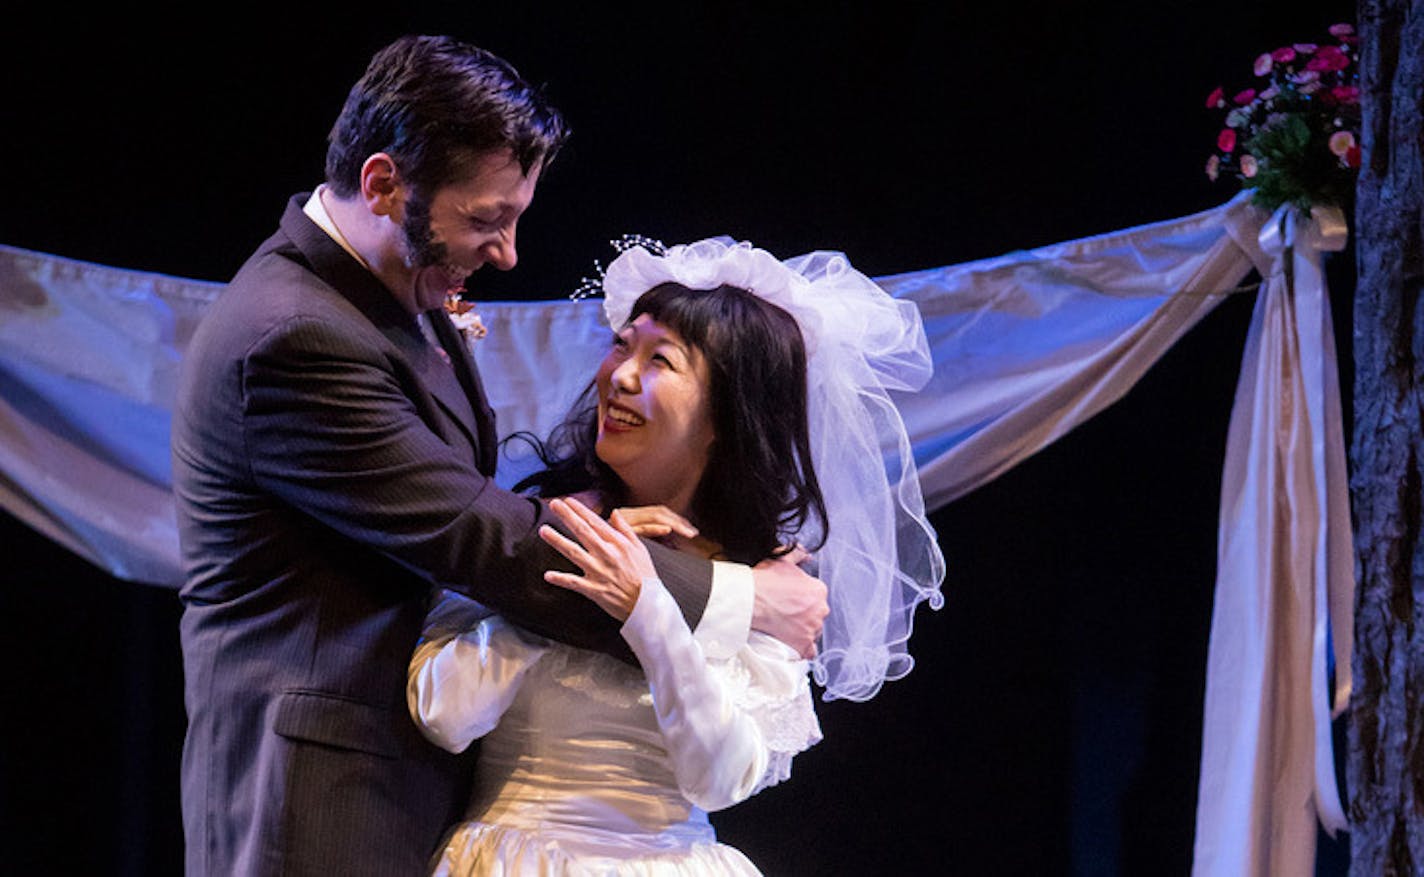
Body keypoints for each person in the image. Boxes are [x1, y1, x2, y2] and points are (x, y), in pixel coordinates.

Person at [170, 37, 828, 876]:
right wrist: (742, 596)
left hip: (428, 805)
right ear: (382, 184)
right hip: (322, 799)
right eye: (487, 219)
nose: (510, 252)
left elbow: (722, 766)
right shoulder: (293, 335)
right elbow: (482, 541)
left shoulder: (402, 296)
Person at [408, 237, 946, 874]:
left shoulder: (767, 583)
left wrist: (647, 606)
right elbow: (443, 715)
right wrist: (580, 564)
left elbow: (720, 777)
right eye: (621, 345)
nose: (622, 376)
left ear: (726, 414)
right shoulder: (531, 526)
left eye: (660, 359)